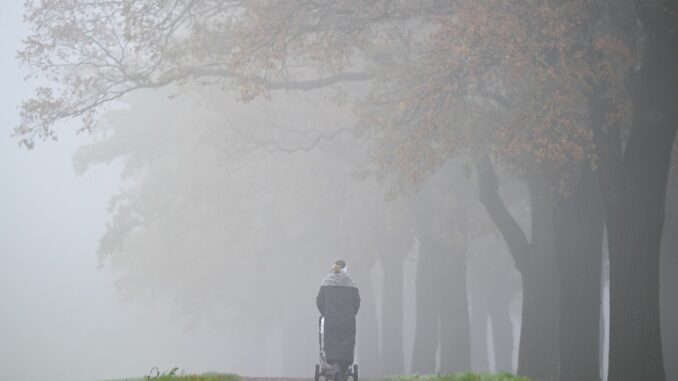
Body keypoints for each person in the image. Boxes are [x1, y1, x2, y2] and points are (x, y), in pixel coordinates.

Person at [317, 260, 360, 381]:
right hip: (347, 321)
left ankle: (335, 366)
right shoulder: (351, 283)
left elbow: (319, 300)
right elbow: (357, 302)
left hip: (331, 320)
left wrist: (326, 313)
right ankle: (343, 369)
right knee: (347, 343)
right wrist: (352, 314)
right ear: (346, 269)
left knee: (332, 343)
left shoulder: (326, 281)